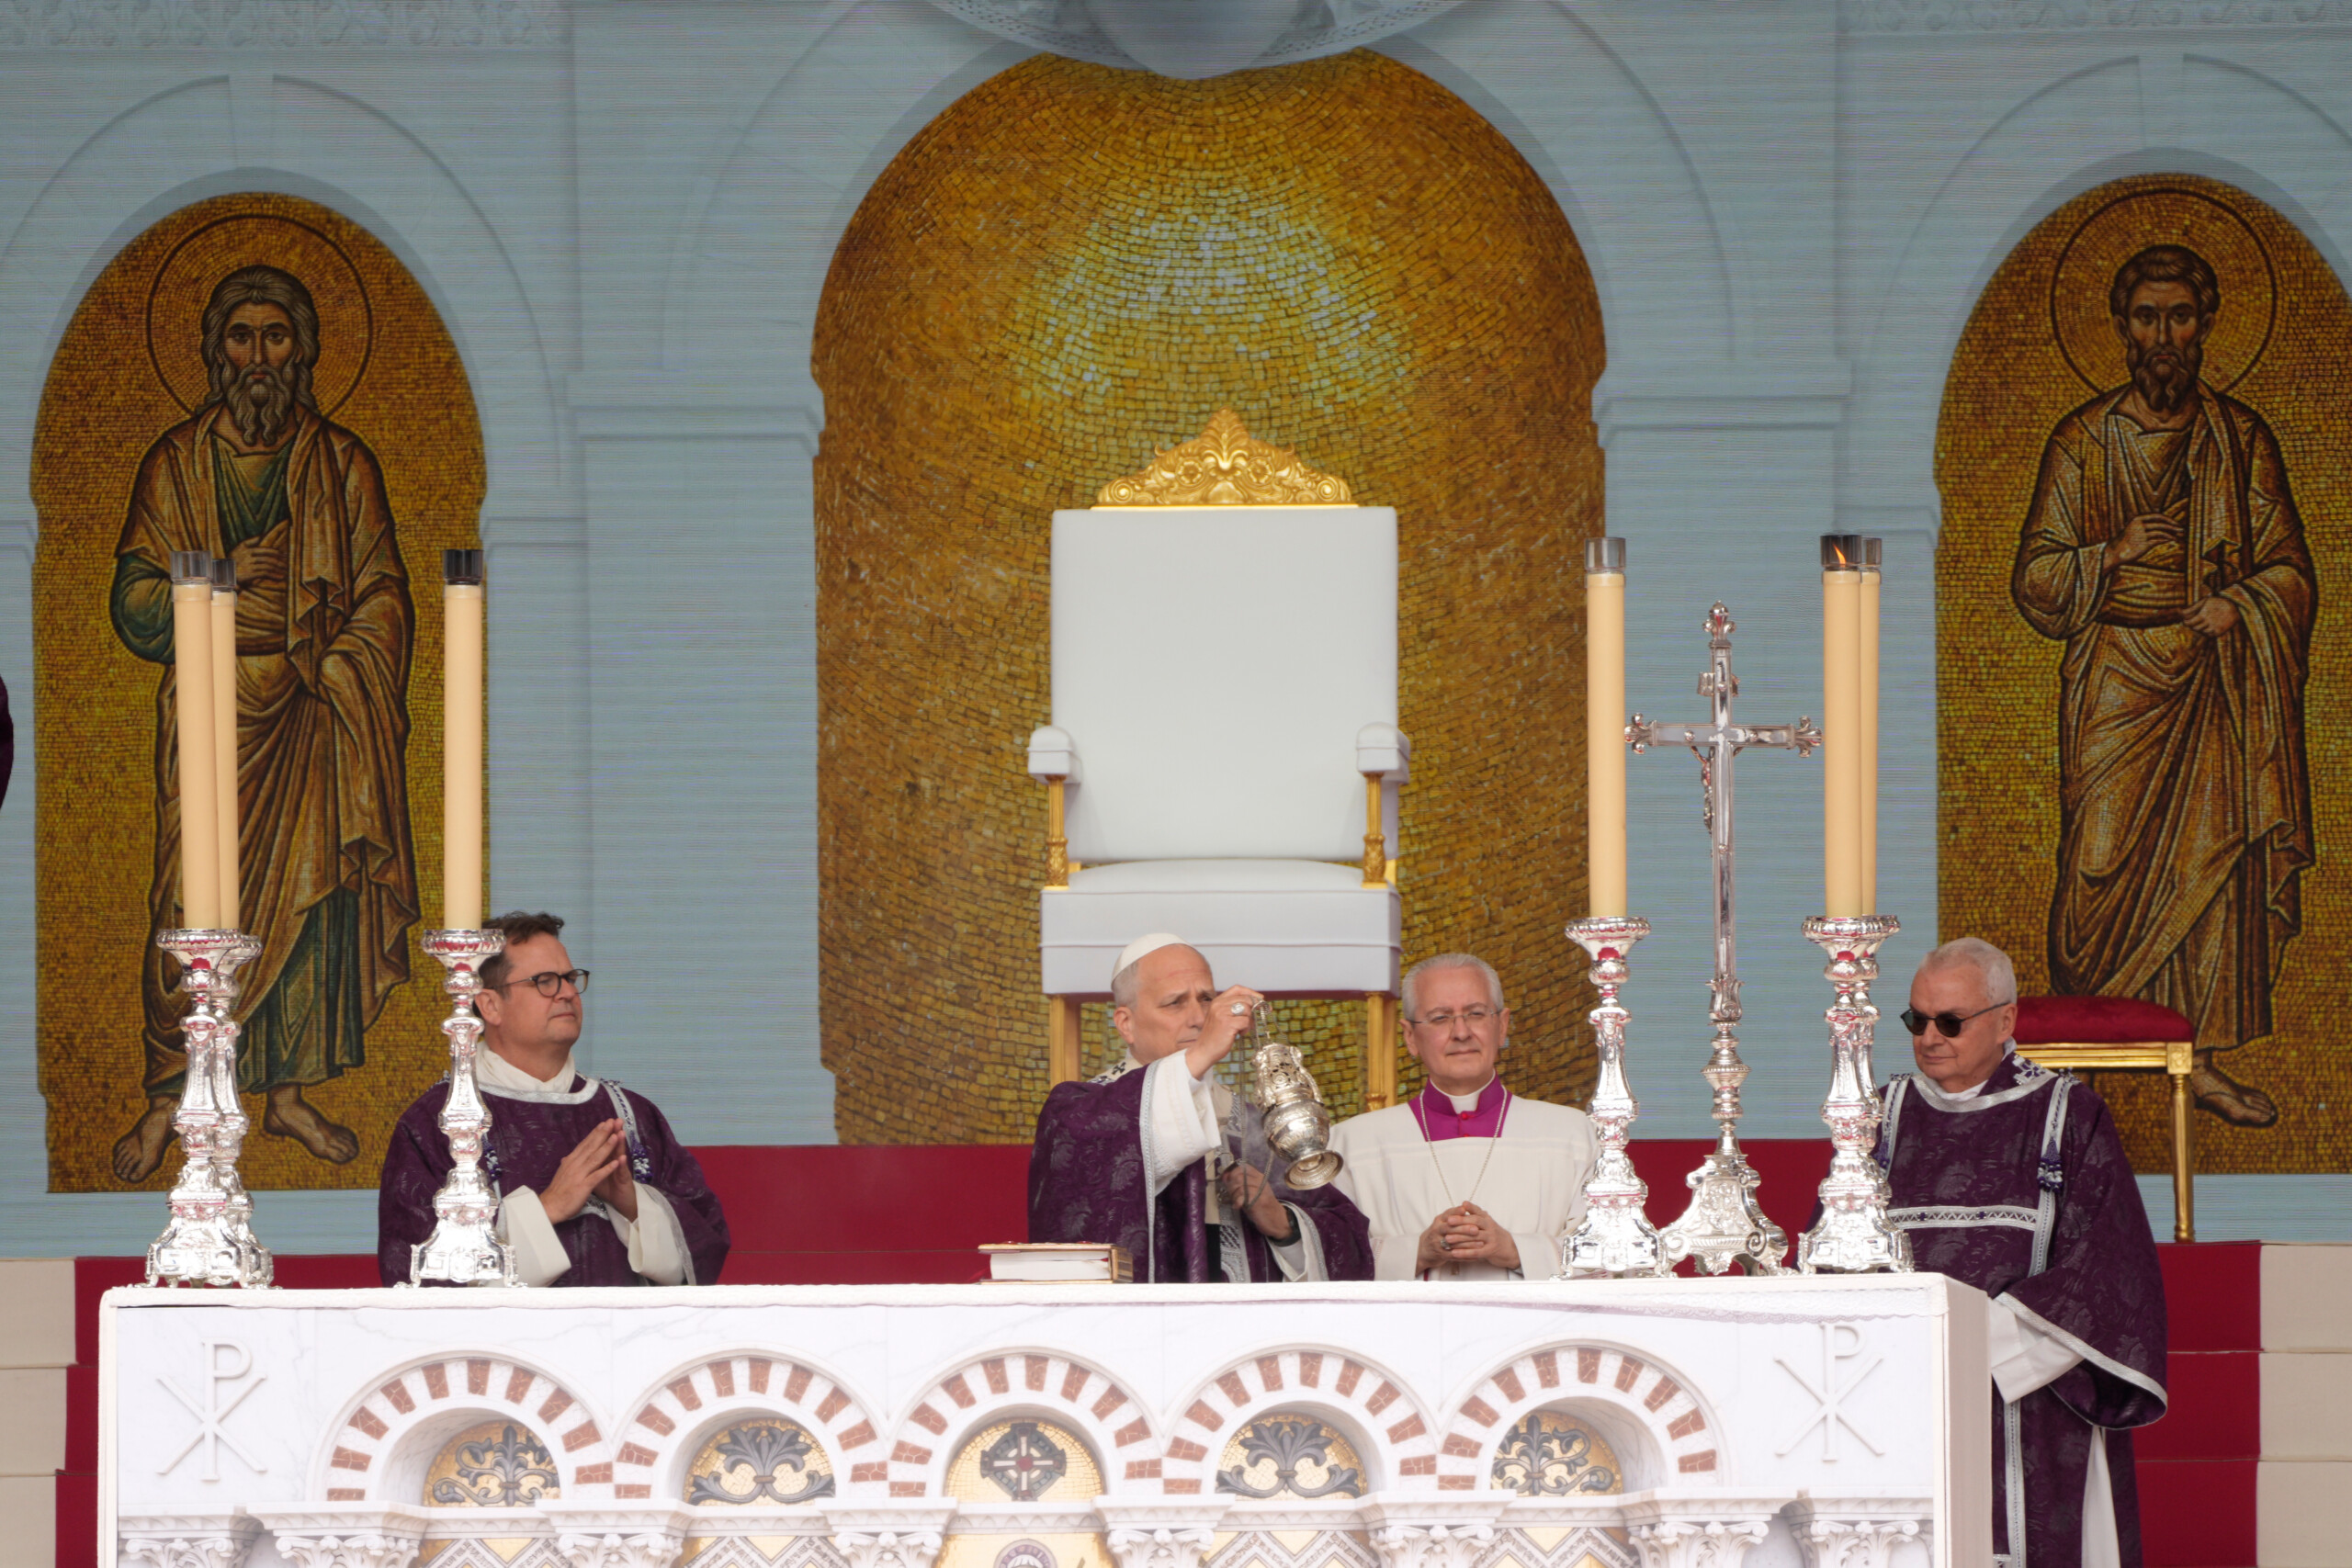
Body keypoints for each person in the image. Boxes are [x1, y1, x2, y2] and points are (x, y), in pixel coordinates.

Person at [111, 264, 422, 1180]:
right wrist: (222, 579)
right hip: (213, 712)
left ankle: (284, 1094)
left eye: (276, 336)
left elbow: (383, 596)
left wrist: (334, 663)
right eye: (242, 336)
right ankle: (170, 1095)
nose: (259, 355)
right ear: (217, 351)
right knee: (189, 901)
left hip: (313, 707)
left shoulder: (342, 464)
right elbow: (132, 603)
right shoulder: (175, 463)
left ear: (303, 351)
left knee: (310, 904)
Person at [2012, 243, 2314, 1130]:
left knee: (2212, 870)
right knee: (2096, 864)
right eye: (2147, 317)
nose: (2164, 335)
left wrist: (2242, 605)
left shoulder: (2240, 439)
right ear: (2122, 326)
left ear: (2205, 323)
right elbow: (2035, 578)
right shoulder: (2083, 440)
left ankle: (2202, 1058)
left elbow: (2292, 570)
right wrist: (2112, 553)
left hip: (2213, 677)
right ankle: (2086, 1060)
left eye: (2180, 316)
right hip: (2115, 675)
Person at [1879, 936, 2165, 1567]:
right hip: (1897, 1390)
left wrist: (1967, 1339)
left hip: (2032, 1399)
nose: (1930, 1037)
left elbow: (2107, 1267)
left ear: (2005, 1019)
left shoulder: (2069, 1115)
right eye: (1916, 1020)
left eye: (1950, 1021)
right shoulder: (1881, 1119)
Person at [377, 910, 729, 1286]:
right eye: (544, 981)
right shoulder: (441, 1122)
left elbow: (706, 1244)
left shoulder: (631, 1114)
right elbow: (414, 1272)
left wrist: (632, 1203)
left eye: (570, 978)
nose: (567, 993)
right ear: (490, 1005)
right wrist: (547, 1208)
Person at [1027, 932, 1372, 1282]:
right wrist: (1202, 1052)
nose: (1199, 1018)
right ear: (1126, 1024)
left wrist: (1285, 1226)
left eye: (1207, 999)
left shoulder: (1254, 1121)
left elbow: (1348, 1237)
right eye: (1174, 1003)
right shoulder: (1078, 1112)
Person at [1328, 953, 1594, 1280]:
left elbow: (1614, 1254)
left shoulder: (1575, 1134)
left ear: (1502, 1026)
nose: (1461, 1032)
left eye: (1476, 1014)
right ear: (1410, 1037)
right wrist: (1417, 1251)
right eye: (1440, 1018)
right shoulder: (1350, 1144)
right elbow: (1323, 1262)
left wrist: (1514, 1249)